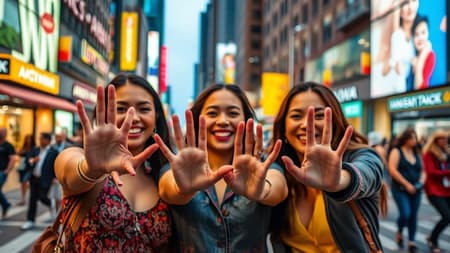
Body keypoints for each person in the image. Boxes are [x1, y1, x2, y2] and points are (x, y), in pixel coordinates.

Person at [153, 84, 288, 252]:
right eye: (212, 113)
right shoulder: (178, 168)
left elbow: (279, 189)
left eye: (232, 113)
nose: (223, 121)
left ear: (247, 121)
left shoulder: (263, 168)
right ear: (196, 120)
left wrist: (261, 191)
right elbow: (167, 190)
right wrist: (183, 189)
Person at [54, 74, 173, 252]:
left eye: (144, 109)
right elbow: (69, 172)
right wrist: (91, 169)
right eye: (121, 108)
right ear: (105, 113)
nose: (132, 117)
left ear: (156, 116)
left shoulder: (162, 175)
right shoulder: (80, 158)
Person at [268, 82, 386, 252]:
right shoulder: (279, 167)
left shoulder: (361, 156)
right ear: (283, 126)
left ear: (335, 120)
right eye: (296, 116)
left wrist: (339, 181)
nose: (306, 124)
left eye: (319, 115)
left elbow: (369, 172)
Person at [388, 128, 425, 253]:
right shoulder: (396, 151)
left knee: (413, 215)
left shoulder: (417, 152)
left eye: (415, 138)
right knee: (406, 214)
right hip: (400, 189)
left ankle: (411, 242)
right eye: (413, 138)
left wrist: (421, 182)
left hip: (416, 190)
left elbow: (423, 171)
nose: (415, 140)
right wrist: (407, 184)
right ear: (406, 139)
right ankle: (399, 230)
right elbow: (392, 170)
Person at [21, 132, 59, 230]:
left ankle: (51, 203)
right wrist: (32, 160)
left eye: (42, 139)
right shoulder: (35, 149)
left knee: (42, 197)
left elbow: (57, 165)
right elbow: (27, 160)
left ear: (48, 140)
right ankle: (30, 220)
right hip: (34, 178)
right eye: (40, 139)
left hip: (46, 179)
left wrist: (55, 177)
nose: (40, 141)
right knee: (32, 199)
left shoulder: (53, 152)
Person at [422, 130, 449, 253]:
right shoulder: (429, 153)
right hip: (434, 190)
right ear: (436, 140)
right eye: (442, 138)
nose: (445, 141)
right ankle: (433, 239)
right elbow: (431, 172)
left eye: (445, 138)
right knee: (447, 216)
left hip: (446, 189)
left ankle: (432, 237)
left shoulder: (446, 152)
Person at [383, 0, 419, 93]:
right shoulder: (397, 35)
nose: (410, 7)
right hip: (393, 88)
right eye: (405, 3)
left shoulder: (416, 37)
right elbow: (386, 71)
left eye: (414, 1)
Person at [411, 15, 436, 90]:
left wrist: (420, 62)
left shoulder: (430, 55)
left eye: (423, 33)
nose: (420, 38)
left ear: (428, 33)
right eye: (416, 34)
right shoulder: (413, 54)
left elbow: (419, 87)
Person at [16, 134, 36, 206]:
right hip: (22, 167)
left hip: (29, 168)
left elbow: (34, 158)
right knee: (22, 183)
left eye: (30, 139)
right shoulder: (23, 147)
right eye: (27, 139)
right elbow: (18, 155)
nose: (28, 140)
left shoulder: (34, 148)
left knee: (25, 181)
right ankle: (23, 198)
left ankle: (24, 198)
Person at [0, 127, 15, 219]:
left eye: (2, 132)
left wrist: (7, 170)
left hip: (2, 171)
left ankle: (6, 205)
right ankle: (6, 204)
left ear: (5, 134)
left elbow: (12, 159)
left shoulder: (8, 146)